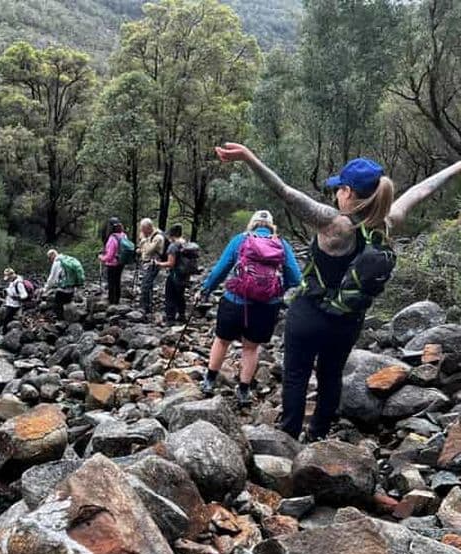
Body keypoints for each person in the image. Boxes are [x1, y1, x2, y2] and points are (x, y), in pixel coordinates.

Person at [215, 142, 461, 441]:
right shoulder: (388, 222)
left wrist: (248, 157)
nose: (336, 194)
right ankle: (318, 433)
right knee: (331, 376)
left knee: (296, 375)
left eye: (339, 189)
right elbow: (423, 190)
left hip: (308, 314)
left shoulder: (331, 223)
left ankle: (289, 437)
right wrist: (457, 166)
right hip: (347, 320)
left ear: (348, 192)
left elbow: (285, 191)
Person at [194, 210, 302, 408]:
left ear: (252, 224)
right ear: (271, 226)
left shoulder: (240, 240)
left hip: (235, 301)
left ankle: (209, 381)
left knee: (222, 340)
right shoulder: (281, 244)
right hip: (266, 307)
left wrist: (206, 289)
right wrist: (276, 292)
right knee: (251, 348)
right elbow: (295, 277)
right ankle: (243, 391)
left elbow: (221, 268)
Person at [154, 224, 188, 325]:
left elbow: (171, 263)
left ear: (171, 234)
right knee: (180, 295)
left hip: (175, 274)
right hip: (184, 274)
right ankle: (182, 315)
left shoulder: (173, 246)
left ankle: (170, 318)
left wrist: (158, 263)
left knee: (170, 295)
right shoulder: (185, 243)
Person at [43, 249, 84, 319]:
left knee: (57, 305)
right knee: (68, 303)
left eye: (49, 258)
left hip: (63, 289)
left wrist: (45, 289)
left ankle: (60, 321)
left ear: (52, 255)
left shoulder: (57, 263)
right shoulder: (67, 259)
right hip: (72, 288)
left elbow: (52, 279)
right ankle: (70, 318)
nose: (50, 260)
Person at [137, 218, 165, 316]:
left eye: (143, 229)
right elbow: (144, 249)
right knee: (147, 285)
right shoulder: (149, 235)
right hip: (146, 263)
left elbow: (149, 250)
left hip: (153, 264)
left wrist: (143, 240)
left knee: (145, 285)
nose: (141, 231)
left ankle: (145, 307)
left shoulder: (158, 237)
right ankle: (147, 305)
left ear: (148, 228)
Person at [98, 217, 128, 305]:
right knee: (117, 281)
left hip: (112, 264)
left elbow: (109, 256)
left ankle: (112, 301)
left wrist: (101, 257)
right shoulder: (124, 235)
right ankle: (117, 300)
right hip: (121, 262)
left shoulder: (112, 238)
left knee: (111, 282)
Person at [2, 267, 29, 334]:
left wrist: (15, 297)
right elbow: (11, 290)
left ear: (11, 275)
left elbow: (24, 295)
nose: (8, 280)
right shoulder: (13, 281)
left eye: (8, 278)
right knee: (7, 320)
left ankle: (5, 334)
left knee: (6, 320)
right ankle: (6, 333)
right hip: (10, 304)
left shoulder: (19, 283)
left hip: (14, 306)